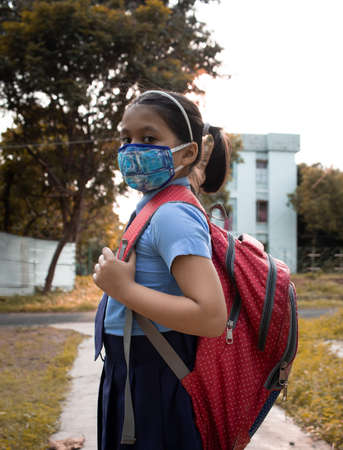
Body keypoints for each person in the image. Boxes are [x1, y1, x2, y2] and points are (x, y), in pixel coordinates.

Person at [93, 90, 231, 450]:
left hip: (155, 375)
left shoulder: (173, 214)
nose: (132, 149)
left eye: (149, 138)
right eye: (127, 138)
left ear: (186, 153)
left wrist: (122, 290)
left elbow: (212, 316)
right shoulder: (157, 202)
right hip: (134, 368)